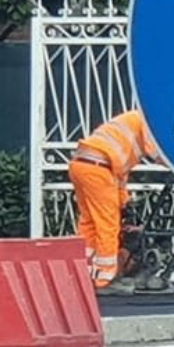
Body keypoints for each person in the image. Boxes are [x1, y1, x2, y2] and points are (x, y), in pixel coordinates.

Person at [68, 109, 159, 289]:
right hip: (100, 168)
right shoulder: (149, 119)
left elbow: (120, 174)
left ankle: (84, 273)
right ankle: (106, 278)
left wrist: (124, 202)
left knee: (89, 223)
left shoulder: (127, 123)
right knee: (107, 225)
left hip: (81, 165)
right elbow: (157, 154)